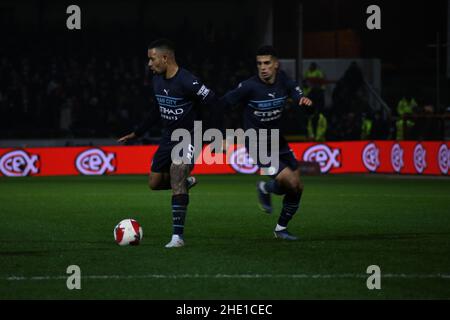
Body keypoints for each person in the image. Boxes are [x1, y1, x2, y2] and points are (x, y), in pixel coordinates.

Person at [118, 39, 217, 248]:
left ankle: (177, 237)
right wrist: (137, 133)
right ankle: (184, 183)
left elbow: (214, 103)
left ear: (165, 58)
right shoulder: (157, 80)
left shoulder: (189, 81)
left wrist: (219, 135)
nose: (149, 64)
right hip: (168, 136)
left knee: (177, 169)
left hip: (190, 136)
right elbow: (157, 110)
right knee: (154, 183)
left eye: (152, 59)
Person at [220, 45, 312, 240]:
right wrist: (224, 135)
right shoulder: (248, 86)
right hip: (257, 146)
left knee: (297, 188)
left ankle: (280, 227)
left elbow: (297, 94)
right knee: (291, 181)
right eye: (259, 63)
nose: (263, 67)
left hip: (279, 142)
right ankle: (266, 188)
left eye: (267, 63)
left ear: (276, 64)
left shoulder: (284, 80)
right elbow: (223, 105)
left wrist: (302, 100)